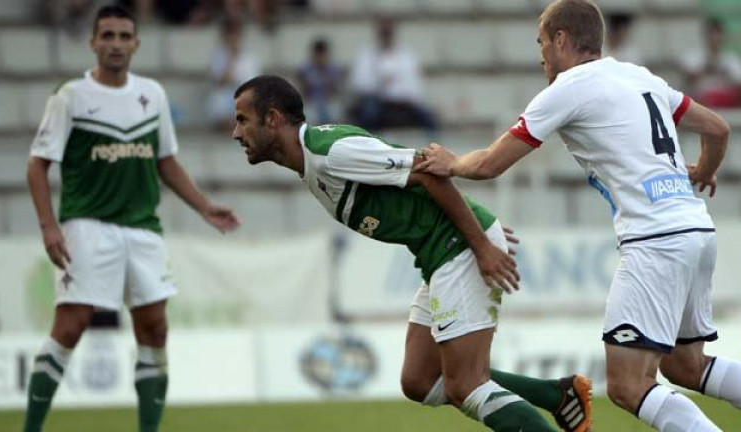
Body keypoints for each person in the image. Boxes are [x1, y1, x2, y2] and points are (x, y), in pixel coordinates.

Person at [416, 1, 741, 431]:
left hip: (654, 241)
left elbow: (491, 163)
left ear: (561, 40)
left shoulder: (567, 89)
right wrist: (704, 171)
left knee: (626, 384)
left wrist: (451, 163)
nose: (540, 54)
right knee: (686, 366)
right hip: (696, 230)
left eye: (542, 42)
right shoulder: (640, 76)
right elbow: (717, 128)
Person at [231, 75, 593, 432]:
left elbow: (426, 170)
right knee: (420, 379)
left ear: (274, 119)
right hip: (439, 252)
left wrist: (481, 242)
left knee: (465, 385)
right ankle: (555, 395)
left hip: (457, 246)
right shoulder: (313, 163)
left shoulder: (333, 152)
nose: (236, 133)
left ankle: (553, 399)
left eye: (242, 120)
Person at [24, 6, 240, 432]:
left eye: (125, 36)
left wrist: (203, 206)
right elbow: (37, 165)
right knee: (70, 326)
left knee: (155, 330)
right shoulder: (70, 96)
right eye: (108, 35)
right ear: (93, 43)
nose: (116, 44)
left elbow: (167, 162)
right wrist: (49, 226)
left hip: (143, 228)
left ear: (136, 44)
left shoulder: (152, 95)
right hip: (86, 224)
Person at [347, 17, 438, 136]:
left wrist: (395, 89)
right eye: (383, 33)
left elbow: (415, 86)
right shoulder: (366, 55)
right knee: (369, 114)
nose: (386, 36)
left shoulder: (407, 55)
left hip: (403, 103)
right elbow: (358, 84)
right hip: (378, 102)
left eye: (388, 33)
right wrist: (380, 82)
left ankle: (432, 150)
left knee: (429, 118)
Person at [679, 17, 741, 108]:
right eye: (711, 34)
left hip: (727, 96)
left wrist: (728, 76)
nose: (714, 38)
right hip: (703, 96)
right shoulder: (693, 56)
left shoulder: (732, 59)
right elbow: (688, 80)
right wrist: (707, 67)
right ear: (705, 35)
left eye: (717, 34)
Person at [208, 18, 262, 131]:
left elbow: (253, 86)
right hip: (226, 94)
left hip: (244, 97)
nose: (233, 38)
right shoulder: (218, 56)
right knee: (216, 101)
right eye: (230, 35)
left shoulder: (250, 57)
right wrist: (232, 58)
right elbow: (220, 83)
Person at [297, 38, 343, 125]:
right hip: (311, 101)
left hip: (329, 101)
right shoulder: (305, 69)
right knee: (309, 115)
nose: (321, 57)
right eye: (319, 54)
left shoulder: (333, 69)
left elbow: (336, 90)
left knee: (335, 112)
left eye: (323, 54)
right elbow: (302, 89)